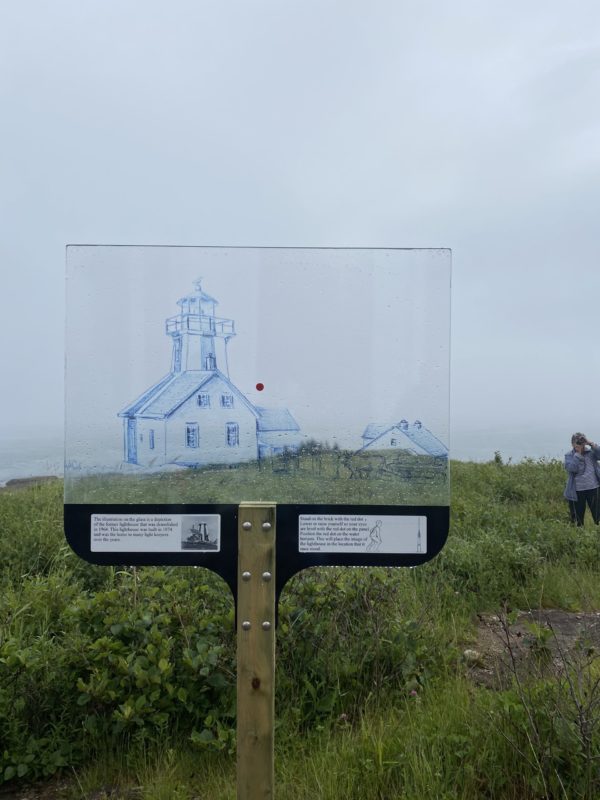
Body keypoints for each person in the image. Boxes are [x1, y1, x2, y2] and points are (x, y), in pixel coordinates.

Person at [564, 433, 600, 525]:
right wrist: (578, 454)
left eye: (581, 441)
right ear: (572, 444)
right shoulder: (569, 455)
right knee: (577, 519)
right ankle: (579, 536)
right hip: (577, 491)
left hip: (593, 487)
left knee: (598, 515)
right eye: (577, 442)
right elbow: (572, 469)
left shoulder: (591, 453)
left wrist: (590, 443)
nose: (580, 443)